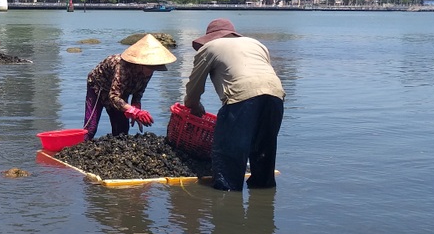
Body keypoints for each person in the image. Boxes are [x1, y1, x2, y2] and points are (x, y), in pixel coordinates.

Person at [183, 18, 285, 192]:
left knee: (228, 157)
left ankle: (228, 199)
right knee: (263, 153)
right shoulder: (256, 44)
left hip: (241, 99)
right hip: (275, 96)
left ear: (210, 37)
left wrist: (192, 104)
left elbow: (194, 85)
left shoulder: (210, 47)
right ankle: (264, 198)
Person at [83, 34, 176, 140]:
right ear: (141, 64)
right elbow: (114, 96)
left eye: (154, 68)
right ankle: (82, 143)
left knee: (122, 129)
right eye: (150, 68)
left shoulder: (147, 72)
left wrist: (136, 108)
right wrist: (133, 111)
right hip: (99, 86)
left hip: (122, 91)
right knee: (91, 127)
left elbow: (139, 91)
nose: (151, 72)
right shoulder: (122, 67)